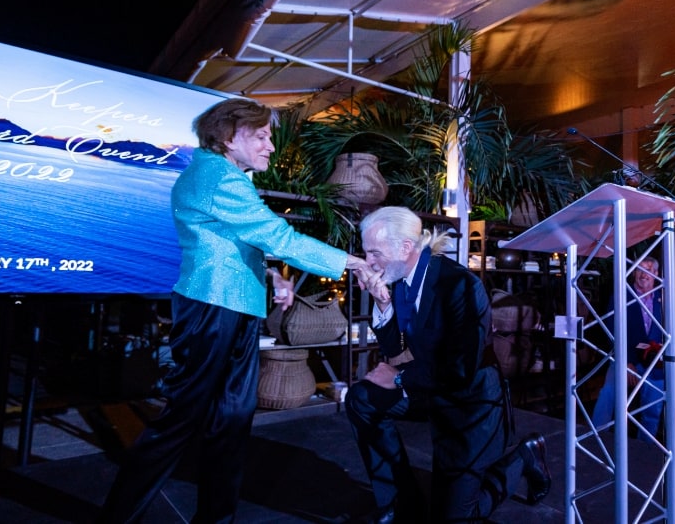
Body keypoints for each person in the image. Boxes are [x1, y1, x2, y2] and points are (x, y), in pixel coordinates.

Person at [98, 98, 368, 523]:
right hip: (212, 307)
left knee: (233, 418)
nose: (270, 147)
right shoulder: (217, 176)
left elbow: (234, 243)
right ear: (228, 136)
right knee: (184, 420)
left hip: (232, 304)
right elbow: (276, 235)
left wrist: (274, 280)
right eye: (261, 136)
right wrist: (351, 262)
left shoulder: (222, 175)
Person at [348, 206, 551, 523]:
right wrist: (381, 304)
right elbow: (394, 349)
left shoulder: (461, 286)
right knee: (361, 399)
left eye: (374, 252)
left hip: (471, 404)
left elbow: (460, 370)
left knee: (455, 517)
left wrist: (400, 380)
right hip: (429, 389)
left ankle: (523, 458)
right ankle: (401, 504)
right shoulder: (401, 280)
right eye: (365, 253)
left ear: (405, 247)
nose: (368, 261)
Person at [591, 257, 667, 443]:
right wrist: (627, 362)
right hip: (626, 358)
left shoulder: (662, 297)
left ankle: (644, 448)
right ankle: (595, 438)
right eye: (639, 269)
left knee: (653, 408)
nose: (643, 274)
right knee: (609, 394)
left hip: (654, 364)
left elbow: (673, 331)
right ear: (633, 273)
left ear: (656, 274)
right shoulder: (621, 295)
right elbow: (612, 330)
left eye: (648, 269)